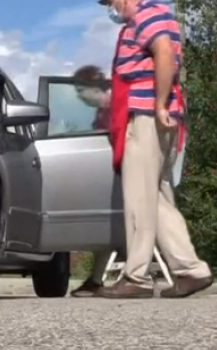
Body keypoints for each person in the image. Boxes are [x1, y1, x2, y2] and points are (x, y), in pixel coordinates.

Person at [94, 0, 214, 299]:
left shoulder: (147, 15)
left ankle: (136, 276)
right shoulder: (158, 15)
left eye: (110, 2)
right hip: (154, 115)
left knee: (138, 198)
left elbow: (164, 53)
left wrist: (159, 104)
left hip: (146, 116)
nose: (111, 9)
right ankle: (190, 270)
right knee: (156, 198)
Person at [68, 64, 120, 297]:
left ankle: (98, 279)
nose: (79, 97)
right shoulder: (102, 112)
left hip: (119, 170)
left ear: (92, 87)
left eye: (81, 91)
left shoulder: (114, 107)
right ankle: (96, 279)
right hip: (108, 172)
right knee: (105, 228)